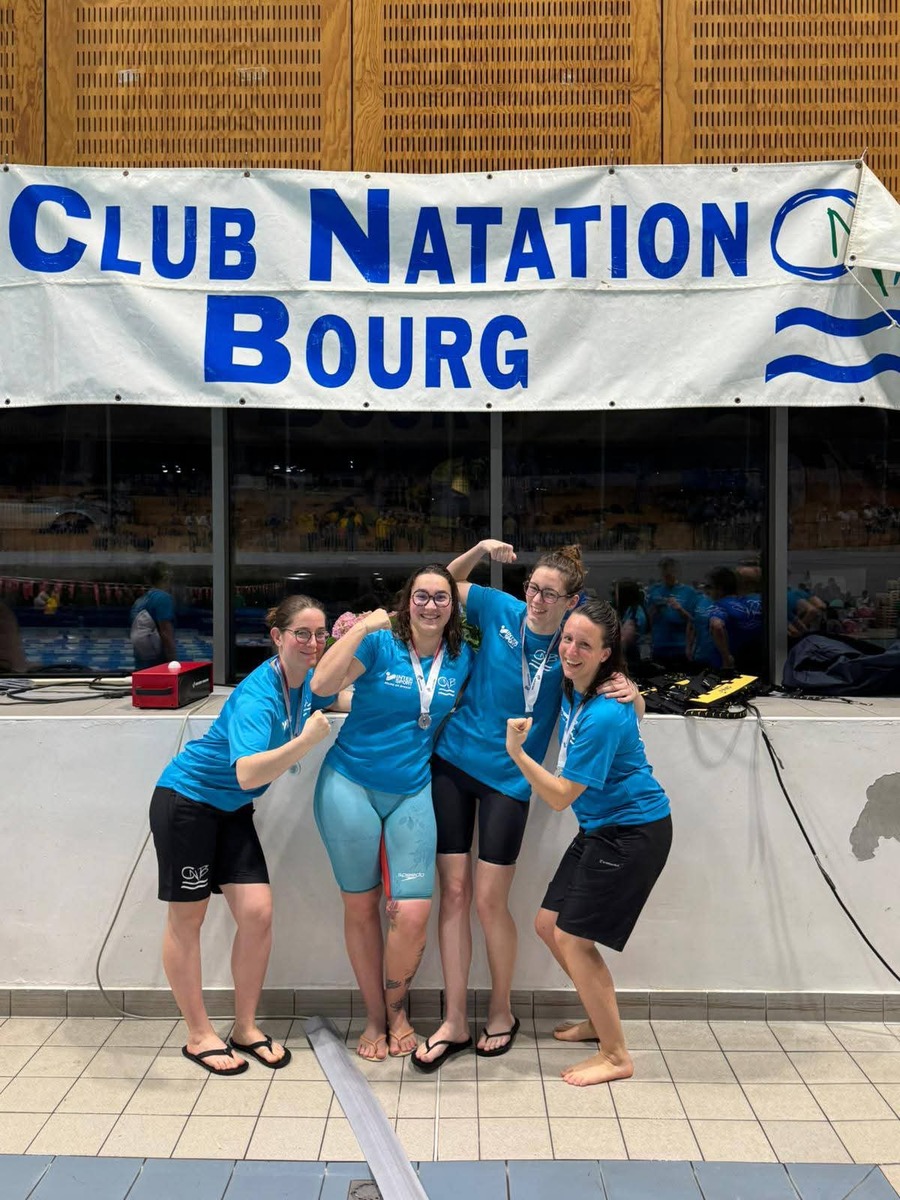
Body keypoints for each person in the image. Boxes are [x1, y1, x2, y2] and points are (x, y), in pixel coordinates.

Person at [414, 541, 640, 1072]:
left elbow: (618, 698)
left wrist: (633, 690)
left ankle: (501, 1011)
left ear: (571, 600)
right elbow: (443, 584)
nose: (536, 600)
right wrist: (478, 550)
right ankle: (453, 1019)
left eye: (549, 594)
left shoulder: (570, 650)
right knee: (453, 894)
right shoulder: (498, 608)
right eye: (532, 588)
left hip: (511, 783)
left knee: (489, 902)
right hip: (452, 763)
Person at [149, 594, 338, 1075]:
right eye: (302, 634)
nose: (313, 643)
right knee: (187, 919)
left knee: (257, 914)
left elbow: (338, 696)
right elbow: (249, 772)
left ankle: (246, 1027)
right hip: (187, 803)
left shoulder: (305, 682)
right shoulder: (259, 694)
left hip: (231, 810)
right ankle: (198, 1035)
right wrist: (305, 742)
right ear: (277, 637)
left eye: (320, 634)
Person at [505, 597, 672, 1086]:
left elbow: (560, 797)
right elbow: (635, 710)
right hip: (601, 827)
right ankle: (600, 1020)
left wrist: (517, 753)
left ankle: (616, 1055)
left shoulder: (601, 714)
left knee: (575, 940)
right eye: (568, 639)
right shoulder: (579, 687)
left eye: (585, 644)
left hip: (632, 832)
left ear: (605, 654)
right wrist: (636, 696)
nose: (571, 650)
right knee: (548, 924)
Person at [310, 565, 472, 1062]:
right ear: (406, 603)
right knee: (361, 907)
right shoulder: (380, 644)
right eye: (421, 596)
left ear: (453, 607)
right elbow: (321, 686)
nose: (430, 605)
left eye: (441, 597)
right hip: (349, 785)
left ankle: (398, 1010)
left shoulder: (461, 658)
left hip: (412, 789)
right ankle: (376, 1019)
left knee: (413, 912)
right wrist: (361, 627)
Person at [646, 557, 697, 670]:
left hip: (681, 646)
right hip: (659, 646)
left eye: (670, 572)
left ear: (677, 571)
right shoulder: (654, 591)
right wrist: (654, 609)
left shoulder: (689, 592)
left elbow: (693, 621)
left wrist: (679, 609)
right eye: (664, 572)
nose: (667, 575)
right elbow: (647, 620)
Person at [131, 562, 177, 670]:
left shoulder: (139, 602)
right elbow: (166, 633)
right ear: (166, 578)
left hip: (141, 667)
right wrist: (173, 663)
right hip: (158, 666)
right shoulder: (163, 598)